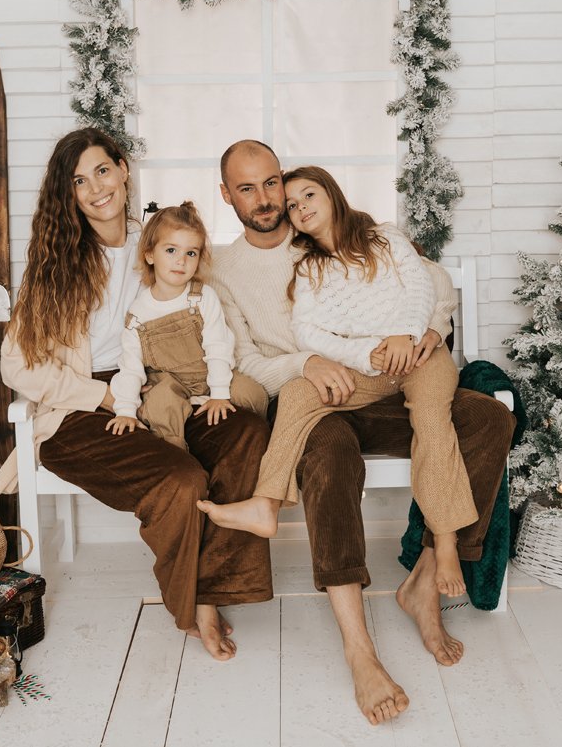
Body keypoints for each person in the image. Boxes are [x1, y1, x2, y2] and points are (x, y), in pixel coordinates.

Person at [207, 139, 515, 724]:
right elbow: (243, 360)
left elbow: (429, 283)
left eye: (273, 183)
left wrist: (428, 330)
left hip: (388, 382)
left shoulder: (351, 236)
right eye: (247, 189)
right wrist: (306, 364)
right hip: (317, 401)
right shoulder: (223, 271)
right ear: (227, 196)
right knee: (331, 455)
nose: (267, 199)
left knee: (487, 417)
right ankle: (359, 646)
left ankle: (429, 573)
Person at [0, 128, 272, 661]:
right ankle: (195, 606)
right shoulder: (57, 265)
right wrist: (99, 395)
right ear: (69, 195)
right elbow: (16, 364)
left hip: (162, 388)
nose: (96, 188)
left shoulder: (159, 242)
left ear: (122, 169)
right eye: (79, 181)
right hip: (81, 411)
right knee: (180, 479)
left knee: (246, 434)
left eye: (102, 170)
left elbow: (204, 313)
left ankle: (213, 589)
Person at [199, 167, 477, 599]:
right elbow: (308, 333)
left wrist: (410, 333)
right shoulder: (310, 269)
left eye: (309, 195)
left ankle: (444, 541)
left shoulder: (383, 238)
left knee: (431, 418)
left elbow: (422, 286)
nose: (301, 207)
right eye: (293, 204)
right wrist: (366, 354)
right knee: (298, 391)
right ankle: (266, 503)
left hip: (422, 358)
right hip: (373, 369)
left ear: (332, 194)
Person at [107, 201, 268, 448]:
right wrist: (125, 410)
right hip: (170, 383)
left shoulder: (203, 297)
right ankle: (175, 451)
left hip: (209, 373)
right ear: (149, 255)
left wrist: (219, 394)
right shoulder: (138, 313)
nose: (181, 261)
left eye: (191, 253)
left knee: (253, 393)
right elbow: (130, 367)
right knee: (161, 405)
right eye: (171, 250)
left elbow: (218, 347)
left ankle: (262, 442)